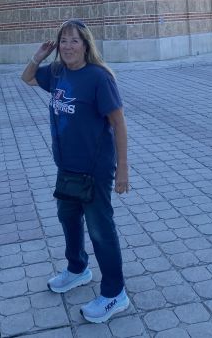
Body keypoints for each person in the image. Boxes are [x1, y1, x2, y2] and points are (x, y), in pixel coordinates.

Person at [21, 19, 130, 323]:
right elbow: (26, 78)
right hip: (66, 166)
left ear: (86, 45)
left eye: (74, 41)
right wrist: (40, 55)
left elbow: (118, 124)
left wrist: (123, 171)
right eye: (63, 41)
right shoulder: (57, 73)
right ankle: (77, 269)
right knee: (68, 218)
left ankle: (115, 293)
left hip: (95, 168)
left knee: (100, 229)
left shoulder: (99, 78)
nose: (68, 46)